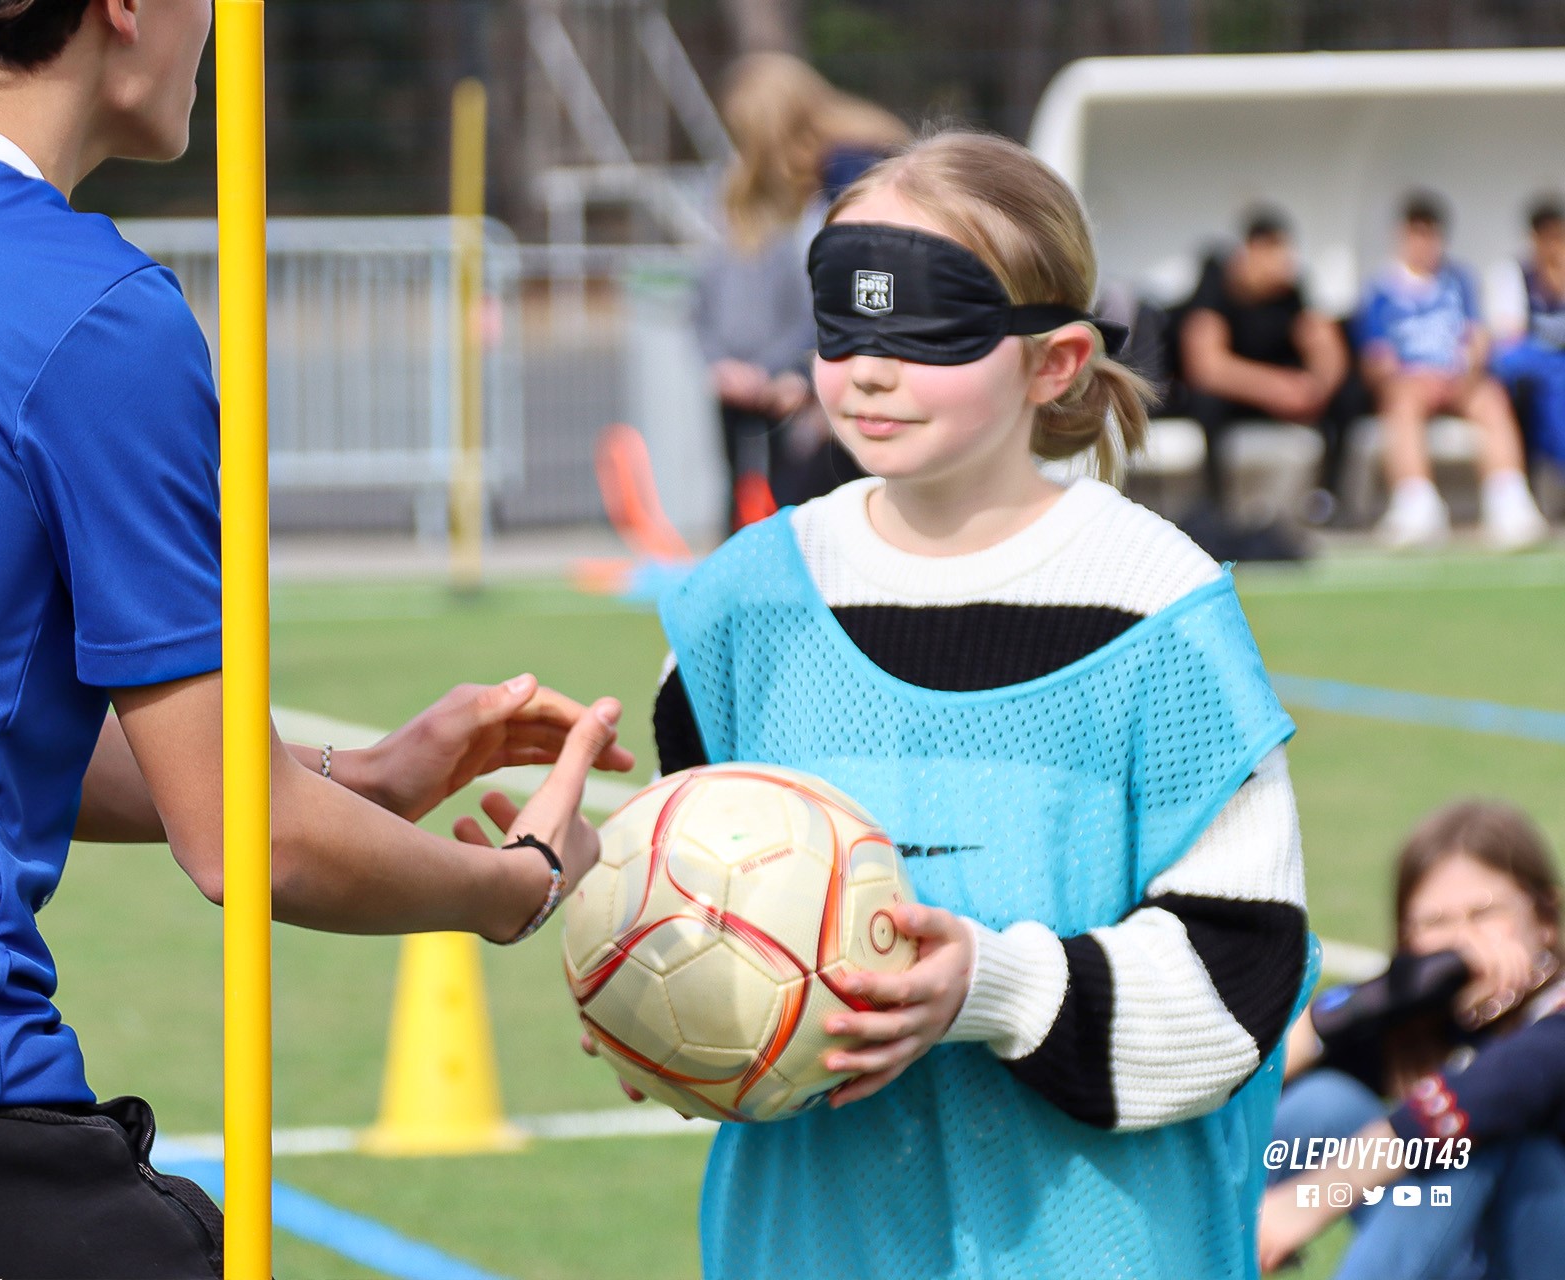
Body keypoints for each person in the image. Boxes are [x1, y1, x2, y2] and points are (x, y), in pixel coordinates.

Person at [0, 2, 629, 1275]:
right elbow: (248, 842)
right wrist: (520, 881)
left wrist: (362, 777)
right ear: (125, 9)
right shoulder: (96, 311)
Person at [646, 127, 1314, 1280]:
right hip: (813, 1241)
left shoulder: (1157, 605)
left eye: (924, 329)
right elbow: (684, 909)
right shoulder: (739, 608)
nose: (868, 367)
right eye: (842, 326)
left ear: (1054, 362)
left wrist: (993, 986)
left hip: (1102, 1241)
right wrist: (629, 961)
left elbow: (1239, 977)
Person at [1258, 801, 1565, 1279]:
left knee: (1469, 1140)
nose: (1462, 941)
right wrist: (1380, 997)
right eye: (1435, 923)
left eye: (1484, 913)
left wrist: (1305, 1202)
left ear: (1545, 918)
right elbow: (1262, 1081)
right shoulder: (1432, 1021)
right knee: (1323, 1102)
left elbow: (1493, 1091)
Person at [692, 53, 906, 530]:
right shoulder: (841, 170)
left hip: (864, 377)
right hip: (830, 378)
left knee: (811, 509)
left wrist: (812, 379)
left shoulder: (856, 174)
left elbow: (867, 297)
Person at [1354, 191, 1549, 550]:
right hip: (1410, 383)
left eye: (1431, 234)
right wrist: (1412, 377)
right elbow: (1376, 360)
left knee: (1492, 398)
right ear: (1403, 236)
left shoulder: (1458, 280)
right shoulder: (1382, 290)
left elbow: (1476, 337)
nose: (1424, 243)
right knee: (1401, 400)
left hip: (1457, 379)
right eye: (1417, 234)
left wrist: (1467, 371)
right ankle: (1416, 502)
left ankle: (1509, 500)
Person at [1178, 206, 1351, 515]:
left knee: (1348, 395)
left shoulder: (1290, 289)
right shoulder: (1216, 279)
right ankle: (1214, 508)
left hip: (1278, 398)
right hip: (1233, 395)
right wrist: (1275, 387)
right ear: (1252, 250)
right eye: (1276, 251)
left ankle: (1328, 500)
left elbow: (1322, 342)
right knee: (1207, 403)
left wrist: (1316, 387)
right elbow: (1205, 366)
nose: (1285, 262)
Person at [1485, 197, 1565, 475]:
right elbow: (1511, 336)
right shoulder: (1514, 274)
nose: (1553, 246)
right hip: (1527, 363)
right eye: (1547, 237)